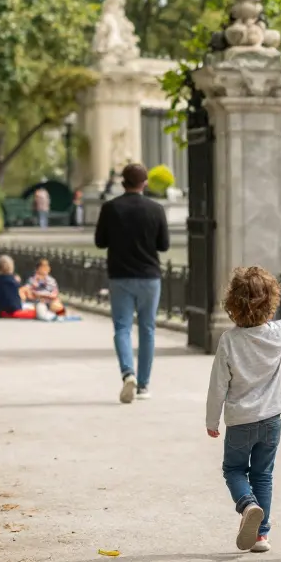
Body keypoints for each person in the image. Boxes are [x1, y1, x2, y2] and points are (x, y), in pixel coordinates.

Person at [206, 268, 281, 554]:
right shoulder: (278, 333)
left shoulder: (229, 341)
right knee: (263, 475)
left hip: (240, 421)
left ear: (233, 304)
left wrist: (212, 420)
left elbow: (218, 385)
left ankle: (247, 505)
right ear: (272, 303)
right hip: (271, 421)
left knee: (233, 469)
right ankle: (261, 536)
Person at [95, 162, 170, 403]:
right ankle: (144, 385)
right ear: (145, 182)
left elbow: (100, 241)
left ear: (122, 182)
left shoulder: (110, 208)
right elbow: (164, 245)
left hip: (120, 276)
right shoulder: (156, 209)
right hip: (149, 276)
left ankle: (128, 372)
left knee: (122, 328)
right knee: (147, 329)